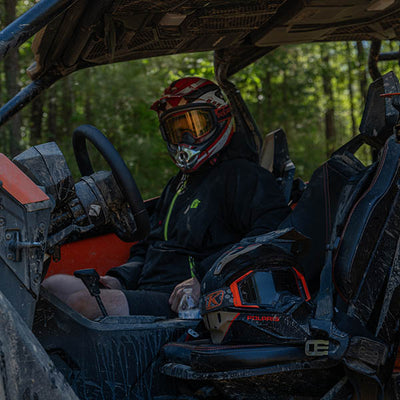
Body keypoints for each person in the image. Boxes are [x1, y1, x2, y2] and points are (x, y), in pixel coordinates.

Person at [43, 77, 290, 319]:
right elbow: (150, 244)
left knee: (82, 305)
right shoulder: (178, 184)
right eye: (177, 129)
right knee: (52, 286)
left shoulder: (243, 176)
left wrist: (206, 278)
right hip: (149, 287)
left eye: (195, 126)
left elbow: (269, 239)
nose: (186, 139)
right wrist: (119, 279)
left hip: (189, 301)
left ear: (220, 118)